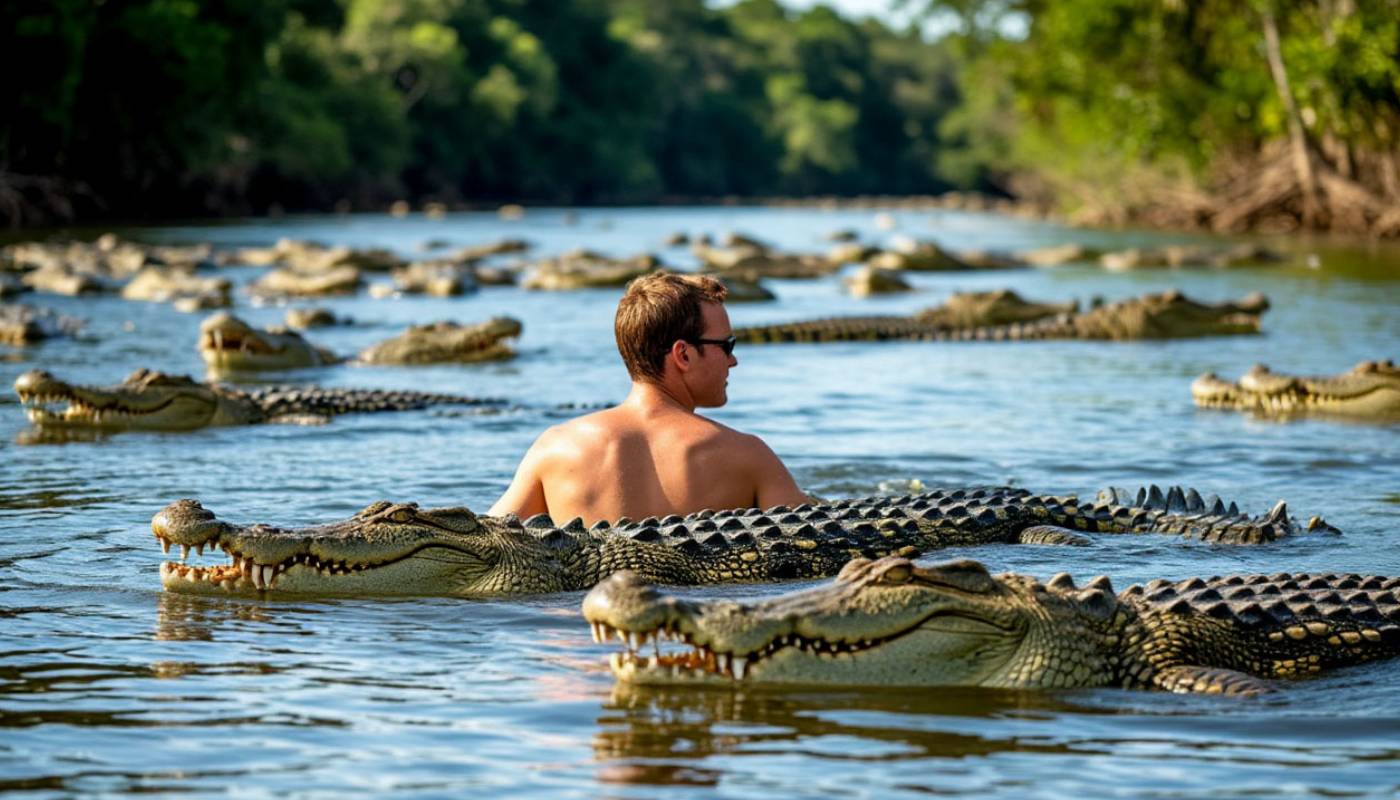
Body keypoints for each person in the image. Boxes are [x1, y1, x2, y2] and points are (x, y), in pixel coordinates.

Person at [488, 271, 810, 525]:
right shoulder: (746, 455)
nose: (733, 361)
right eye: (727, 346)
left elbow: (487, 541)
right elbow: (817, 543)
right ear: (683, 355)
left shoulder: (555, 447)